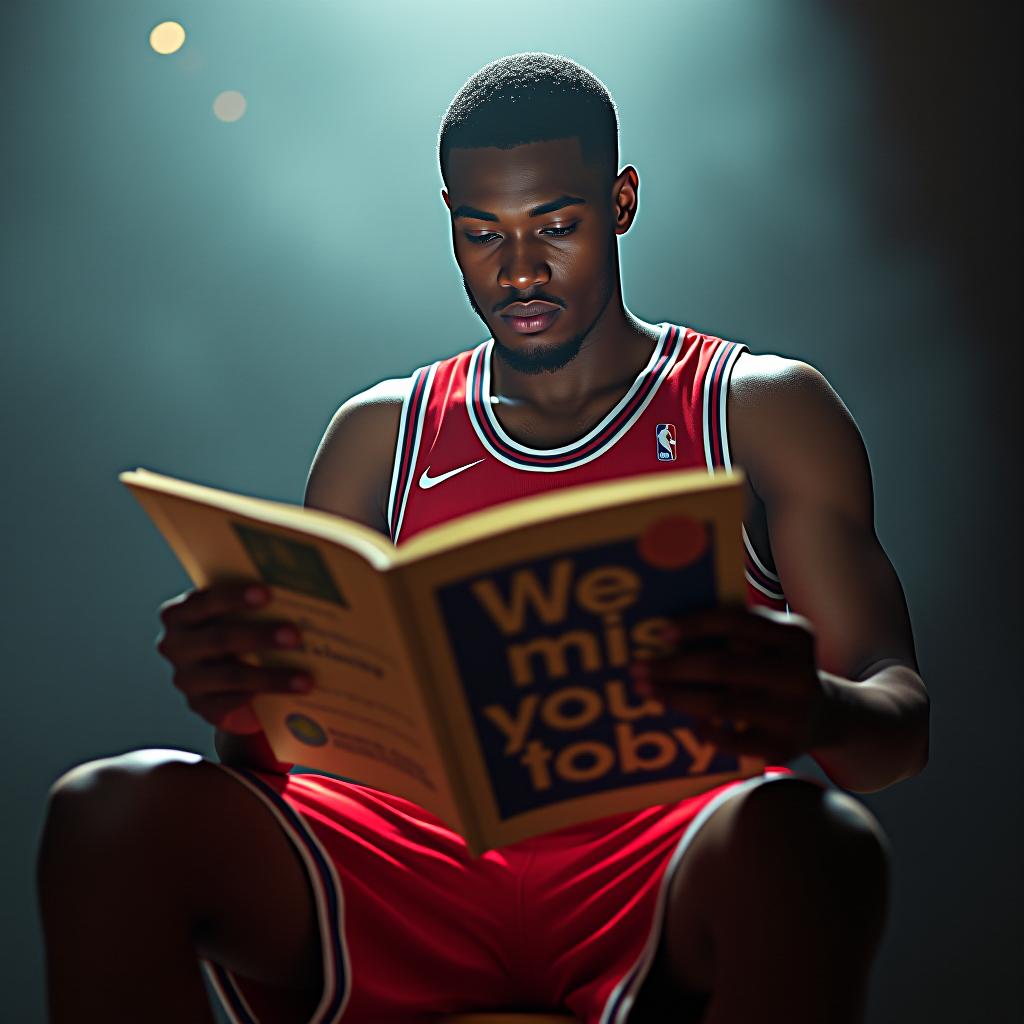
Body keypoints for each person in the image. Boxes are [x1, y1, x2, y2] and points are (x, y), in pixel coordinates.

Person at [36, 52, 929, 1024]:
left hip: (654, 852)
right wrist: (244, 689)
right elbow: (283, 754)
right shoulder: (381, 432)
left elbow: (896, 723)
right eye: (480, 234)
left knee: (812, 840)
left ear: (621, 200)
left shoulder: (756, 407)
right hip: (411, 864)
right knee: (112, 808)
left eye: (556, 226)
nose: (518, 271)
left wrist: (814, 707)